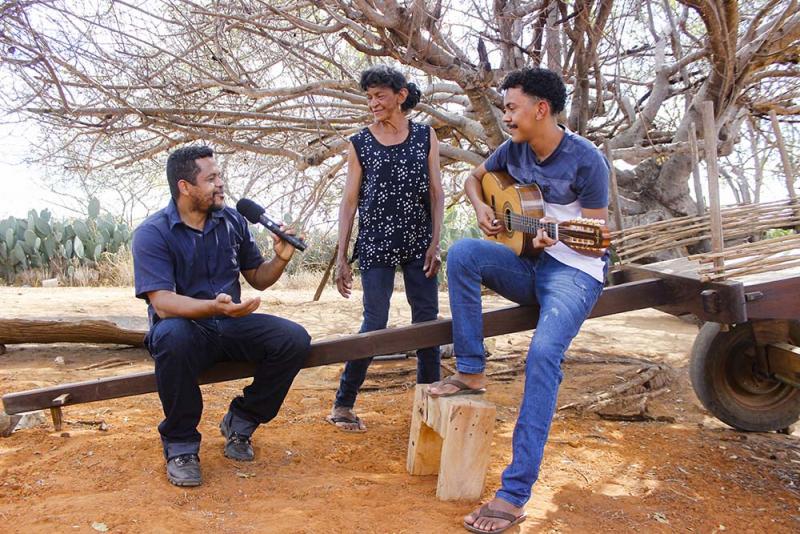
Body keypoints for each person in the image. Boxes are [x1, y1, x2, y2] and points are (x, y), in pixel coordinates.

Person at [427, 67, 609, 533]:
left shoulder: (587, 161)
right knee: (466, 251)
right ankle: (470, 370)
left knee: (544, 353)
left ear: (540, 109)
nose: (505, 115)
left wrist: (562, 239)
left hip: (574, 270)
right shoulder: (513, 150)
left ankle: (513, 493)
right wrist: (484, 208)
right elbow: (474, 178)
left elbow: (597, 241)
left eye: (511, 107)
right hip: (528, 263)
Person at [132, 145, 310, 487]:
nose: (220, 184)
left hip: (231, 323)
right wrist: (214, 306)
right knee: (172, 335)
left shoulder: (232, 221)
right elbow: (164, 304)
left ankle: (241, 420)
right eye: (211, 178)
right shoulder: (153, 232)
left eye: (220, 176)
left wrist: (282, 258)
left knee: (293, 340)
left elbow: (257, 276)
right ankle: (181, 445)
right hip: (186, 330)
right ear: (185, 187)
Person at [329, 64, 445, 432]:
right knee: (374, 322)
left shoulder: (426, 136)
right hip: (375, 241)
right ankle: (344, 404)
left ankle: (429, 405)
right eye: (369, 97)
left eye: (380, 95)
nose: (374, 103)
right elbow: (349, 203)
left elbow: (436, 193)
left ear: (401, 95)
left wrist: (435, 242)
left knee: (426, 321)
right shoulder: (359, 143)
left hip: (418, 240)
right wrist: (341, 257)